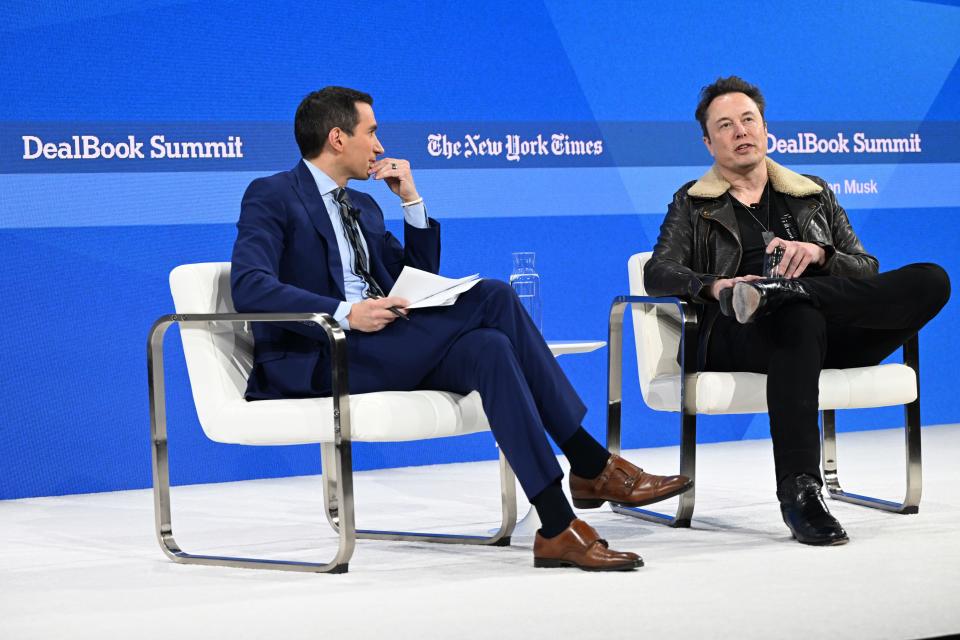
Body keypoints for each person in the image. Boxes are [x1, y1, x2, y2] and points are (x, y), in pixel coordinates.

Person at [231, 86, 692, 570]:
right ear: (337, 138)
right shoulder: (273, 194)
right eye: (372, 132)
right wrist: (345, 312)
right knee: (492, 295)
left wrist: (411, 203)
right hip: (323, 355)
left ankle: (556, 526)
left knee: (490, 348)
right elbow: (250, 286)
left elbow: (415, 276)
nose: (381, 146)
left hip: (382, 343)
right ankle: (590, 462)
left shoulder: (363, 207)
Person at [645, 76, 950, 546]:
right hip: (736, 332)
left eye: (748, 120)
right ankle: (801, 491)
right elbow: (658, 271)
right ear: (708, 142)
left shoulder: (813, 193)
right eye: (725, 125)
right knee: (798, 316)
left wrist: (821, 256)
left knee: (932, 279)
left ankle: (790, 293)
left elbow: (866, 269)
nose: (740, 131)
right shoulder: (692, 202)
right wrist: (715, 284)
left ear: (766, 129)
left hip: (826, 329)